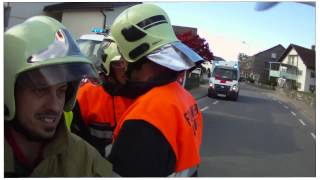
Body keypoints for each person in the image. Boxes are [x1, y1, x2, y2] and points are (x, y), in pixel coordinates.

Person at [4, 16, 112, 177]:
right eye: (40, 89)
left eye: (61, 90)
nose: (55, 106)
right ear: (8, 89)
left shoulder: (86, 161)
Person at [108, 3, 203, 177]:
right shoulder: (185, 98)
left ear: (136, 54)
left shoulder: (143, 119)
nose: (122, 62)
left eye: (123, 55)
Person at [71, 36, 134, 157]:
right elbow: (76, 141)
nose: (126, 70)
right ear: (107, 65)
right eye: (120, 64)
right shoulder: (86, 95)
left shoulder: (140, 95)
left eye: (129, 63)